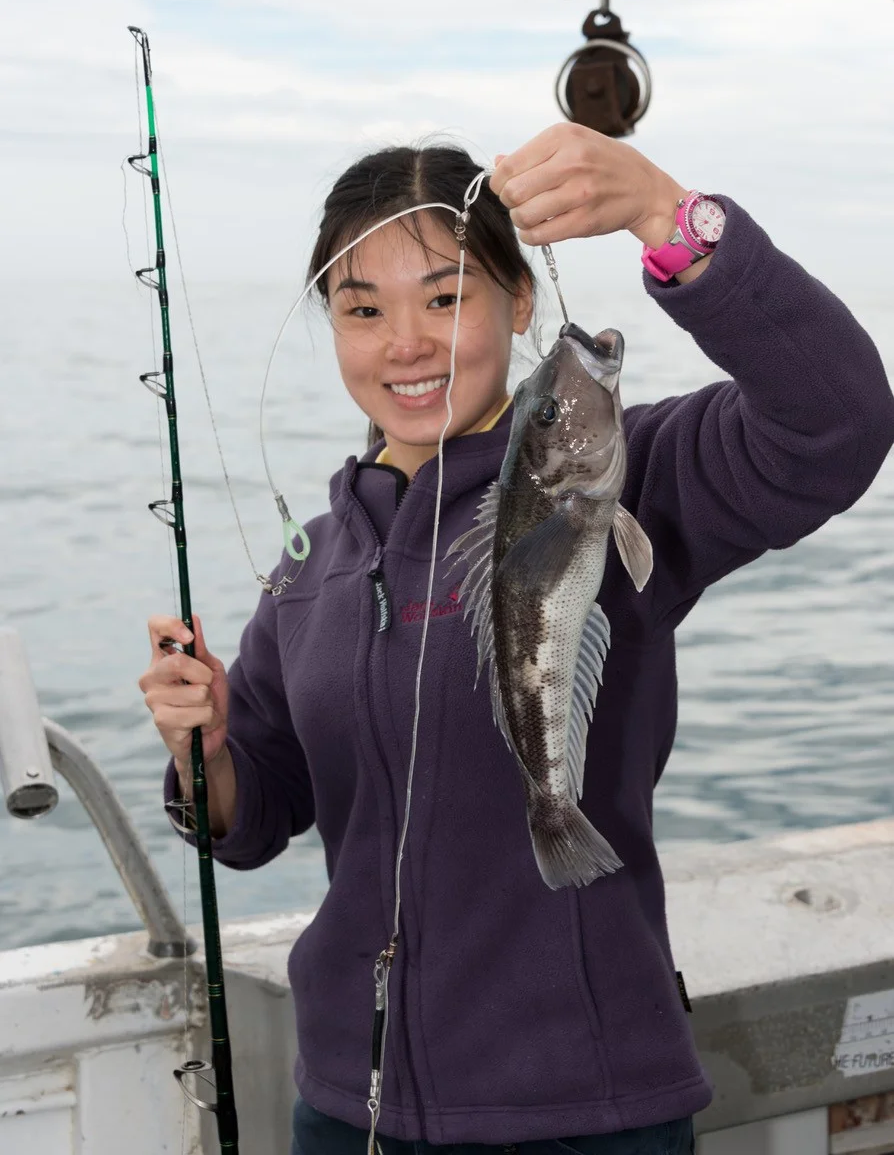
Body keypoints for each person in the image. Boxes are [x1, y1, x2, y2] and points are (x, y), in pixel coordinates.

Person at [139, 122, 894, 1155]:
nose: (406, 343)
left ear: (520, 301)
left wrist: (665, 214)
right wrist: (208, 748)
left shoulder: (622, 479)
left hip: (583, 1108)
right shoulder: (312, 563)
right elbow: (256, 816)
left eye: (446, 298)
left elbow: (836, 420)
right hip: (348, 1105)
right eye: (363, 309)